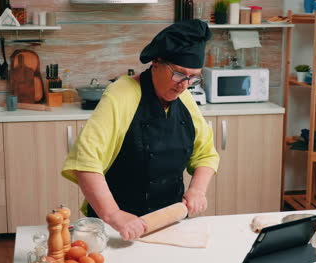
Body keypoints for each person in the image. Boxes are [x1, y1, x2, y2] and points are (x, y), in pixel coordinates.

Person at [62, 19, 219, 241]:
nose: (184, 85)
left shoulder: (184, 97)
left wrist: (197, 190)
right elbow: (85, 162)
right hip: (118, 229)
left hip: (168, 222)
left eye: (193, 77)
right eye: (179, 74)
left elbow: (206, 154)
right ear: (156, 62)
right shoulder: (121, 94)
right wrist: (114, 214)